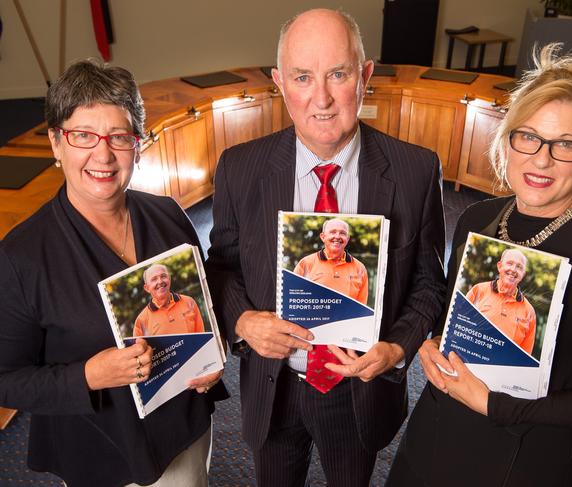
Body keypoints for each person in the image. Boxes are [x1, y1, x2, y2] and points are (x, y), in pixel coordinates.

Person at [386, 43, 572, 487]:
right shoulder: (473, 219)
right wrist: (432, 346)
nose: (541, 159)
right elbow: (454, 322)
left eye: (566, 144)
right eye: (528, 136)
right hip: (436, 429)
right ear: (508, 137)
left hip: (523, 456)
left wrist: (496, 406)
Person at [206, 8, 446, 487]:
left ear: (365, 76)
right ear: (279, 82)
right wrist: (242, 320)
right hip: (273, 389)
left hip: (360, 389)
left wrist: (397, 347)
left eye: (338, 74)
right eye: (302, 77)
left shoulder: (415, 171)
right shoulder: (239, 168)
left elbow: (429, 284)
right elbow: (222, 267)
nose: (322, 98)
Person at [0, 60, 227, 487]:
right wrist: (90, 375)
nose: (102, 155)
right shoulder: (21, 257)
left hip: (185, 428)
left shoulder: (168, 215)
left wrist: (215, 355)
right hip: (102, 447)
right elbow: (5, 380)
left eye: (119, 137)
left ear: (137, 145)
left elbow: (204, 308)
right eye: (82, 135)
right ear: (55, 142)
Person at [465, 248, 536, 353]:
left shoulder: (529, 311)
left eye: (519, 267)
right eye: (510, 263)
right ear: (500, 266)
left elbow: (525, 354)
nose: (513, 269)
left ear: (523, 274)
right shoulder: (479, 290)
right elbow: (458, 324)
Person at [293, 218, 369, 304]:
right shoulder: (305, 264)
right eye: (333, 232)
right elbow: (293, 300)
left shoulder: (360, 268)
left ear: (347, 239)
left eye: (342, 233)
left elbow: (362, 308)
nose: (337, 236)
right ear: (323, 237)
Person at [133, 264, 206, 336]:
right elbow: (140, 347)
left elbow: (202, 337)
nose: (160, 281)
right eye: (154, 279)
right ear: (147, 288)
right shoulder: (141, 320)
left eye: (163, 276)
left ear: (169, 279)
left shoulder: (189, 302)